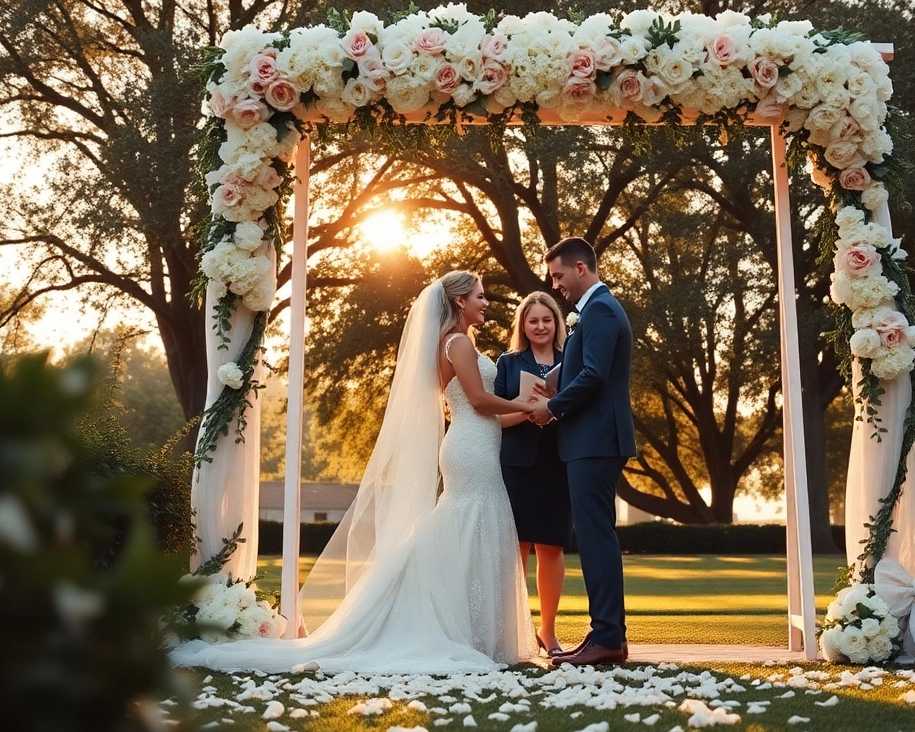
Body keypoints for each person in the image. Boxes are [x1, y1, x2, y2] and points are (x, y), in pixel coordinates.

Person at [170, 271, 540, 674]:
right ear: (458, 302)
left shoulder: (451, 344)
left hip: (476, 440)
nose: (486, 303)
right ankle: (463, 628)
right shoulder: (458, 343)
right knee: (472, 524)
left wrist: (531, 414)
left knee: (470, 529)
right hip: (470, 449)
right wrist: (523, 403)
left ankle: (477, 630)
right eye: (480, 297)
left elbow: (484, 415)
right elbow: (479, 401)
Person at [529, 237, 637, 667]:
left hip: (595, 441)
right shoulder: (593, 312)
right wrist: (557, 375)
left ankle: (608, 637)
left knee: (596, 540)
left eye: (558, 276)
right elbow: (587, 364)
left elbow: (595, 374)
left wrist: (551, 407)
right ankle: (606, 635)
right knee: (594, 538)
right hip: (590, 441)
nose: (556, 285)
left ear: (580, 268)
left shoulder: (601, 310)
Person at [493, 292, 571, 656]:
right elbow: (492, 417)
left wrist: (555, 407)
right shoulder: (507, 363)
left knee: (552, 548)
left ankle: (549, 632)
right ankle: (516, 633)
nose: (540, 326)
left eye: (547, 320)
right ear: (523, 326)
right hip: (517, 464)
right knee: (518, 548)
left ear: (557, 323)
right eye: (533, 321)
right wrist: (531, 408)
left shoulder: (573, 361)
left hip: (559, 463)